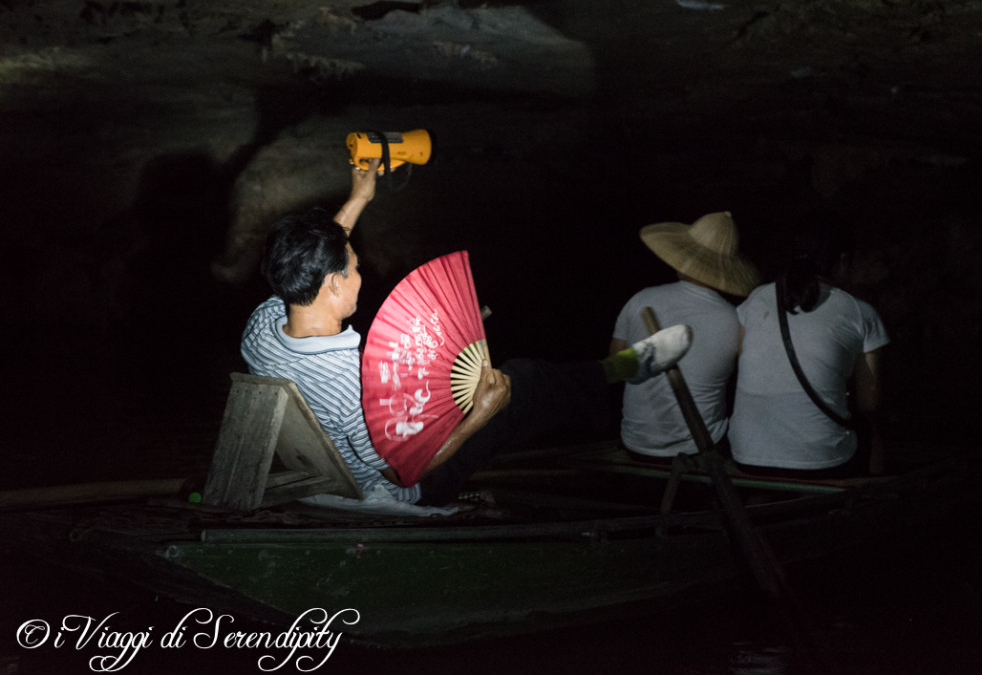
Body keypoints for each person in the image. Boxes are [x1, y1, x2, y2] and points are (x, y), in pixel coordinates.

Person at [240, 162, 693, 507]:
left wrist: (359, 197)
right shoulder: (344, 380)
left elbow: (317, 254)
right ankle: (623, 368)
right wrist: (480, 414)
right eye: (356, 267)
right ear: (334, 282)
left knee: (462, 350)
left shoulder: (265, 321)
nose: (363, 272)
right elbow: (402, 473)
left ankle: (593, 390)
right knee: (522, 381)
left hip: (352, 450)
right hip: (410, 485)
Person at [728, 221, 889, 478]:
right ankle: (875, 492)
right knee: (872, 425)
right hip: (824, 461)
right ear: (843, 261)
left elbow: (743, 359)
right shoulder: (860, 312)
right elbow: (869, 402)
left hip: (745, 455)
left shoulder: (755, 299)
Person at [610, 211, 759, 460]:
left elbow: (615, 367)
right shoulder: (737, 320)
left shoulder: (641, 299)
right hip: (700, 446)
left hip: (636, 443)